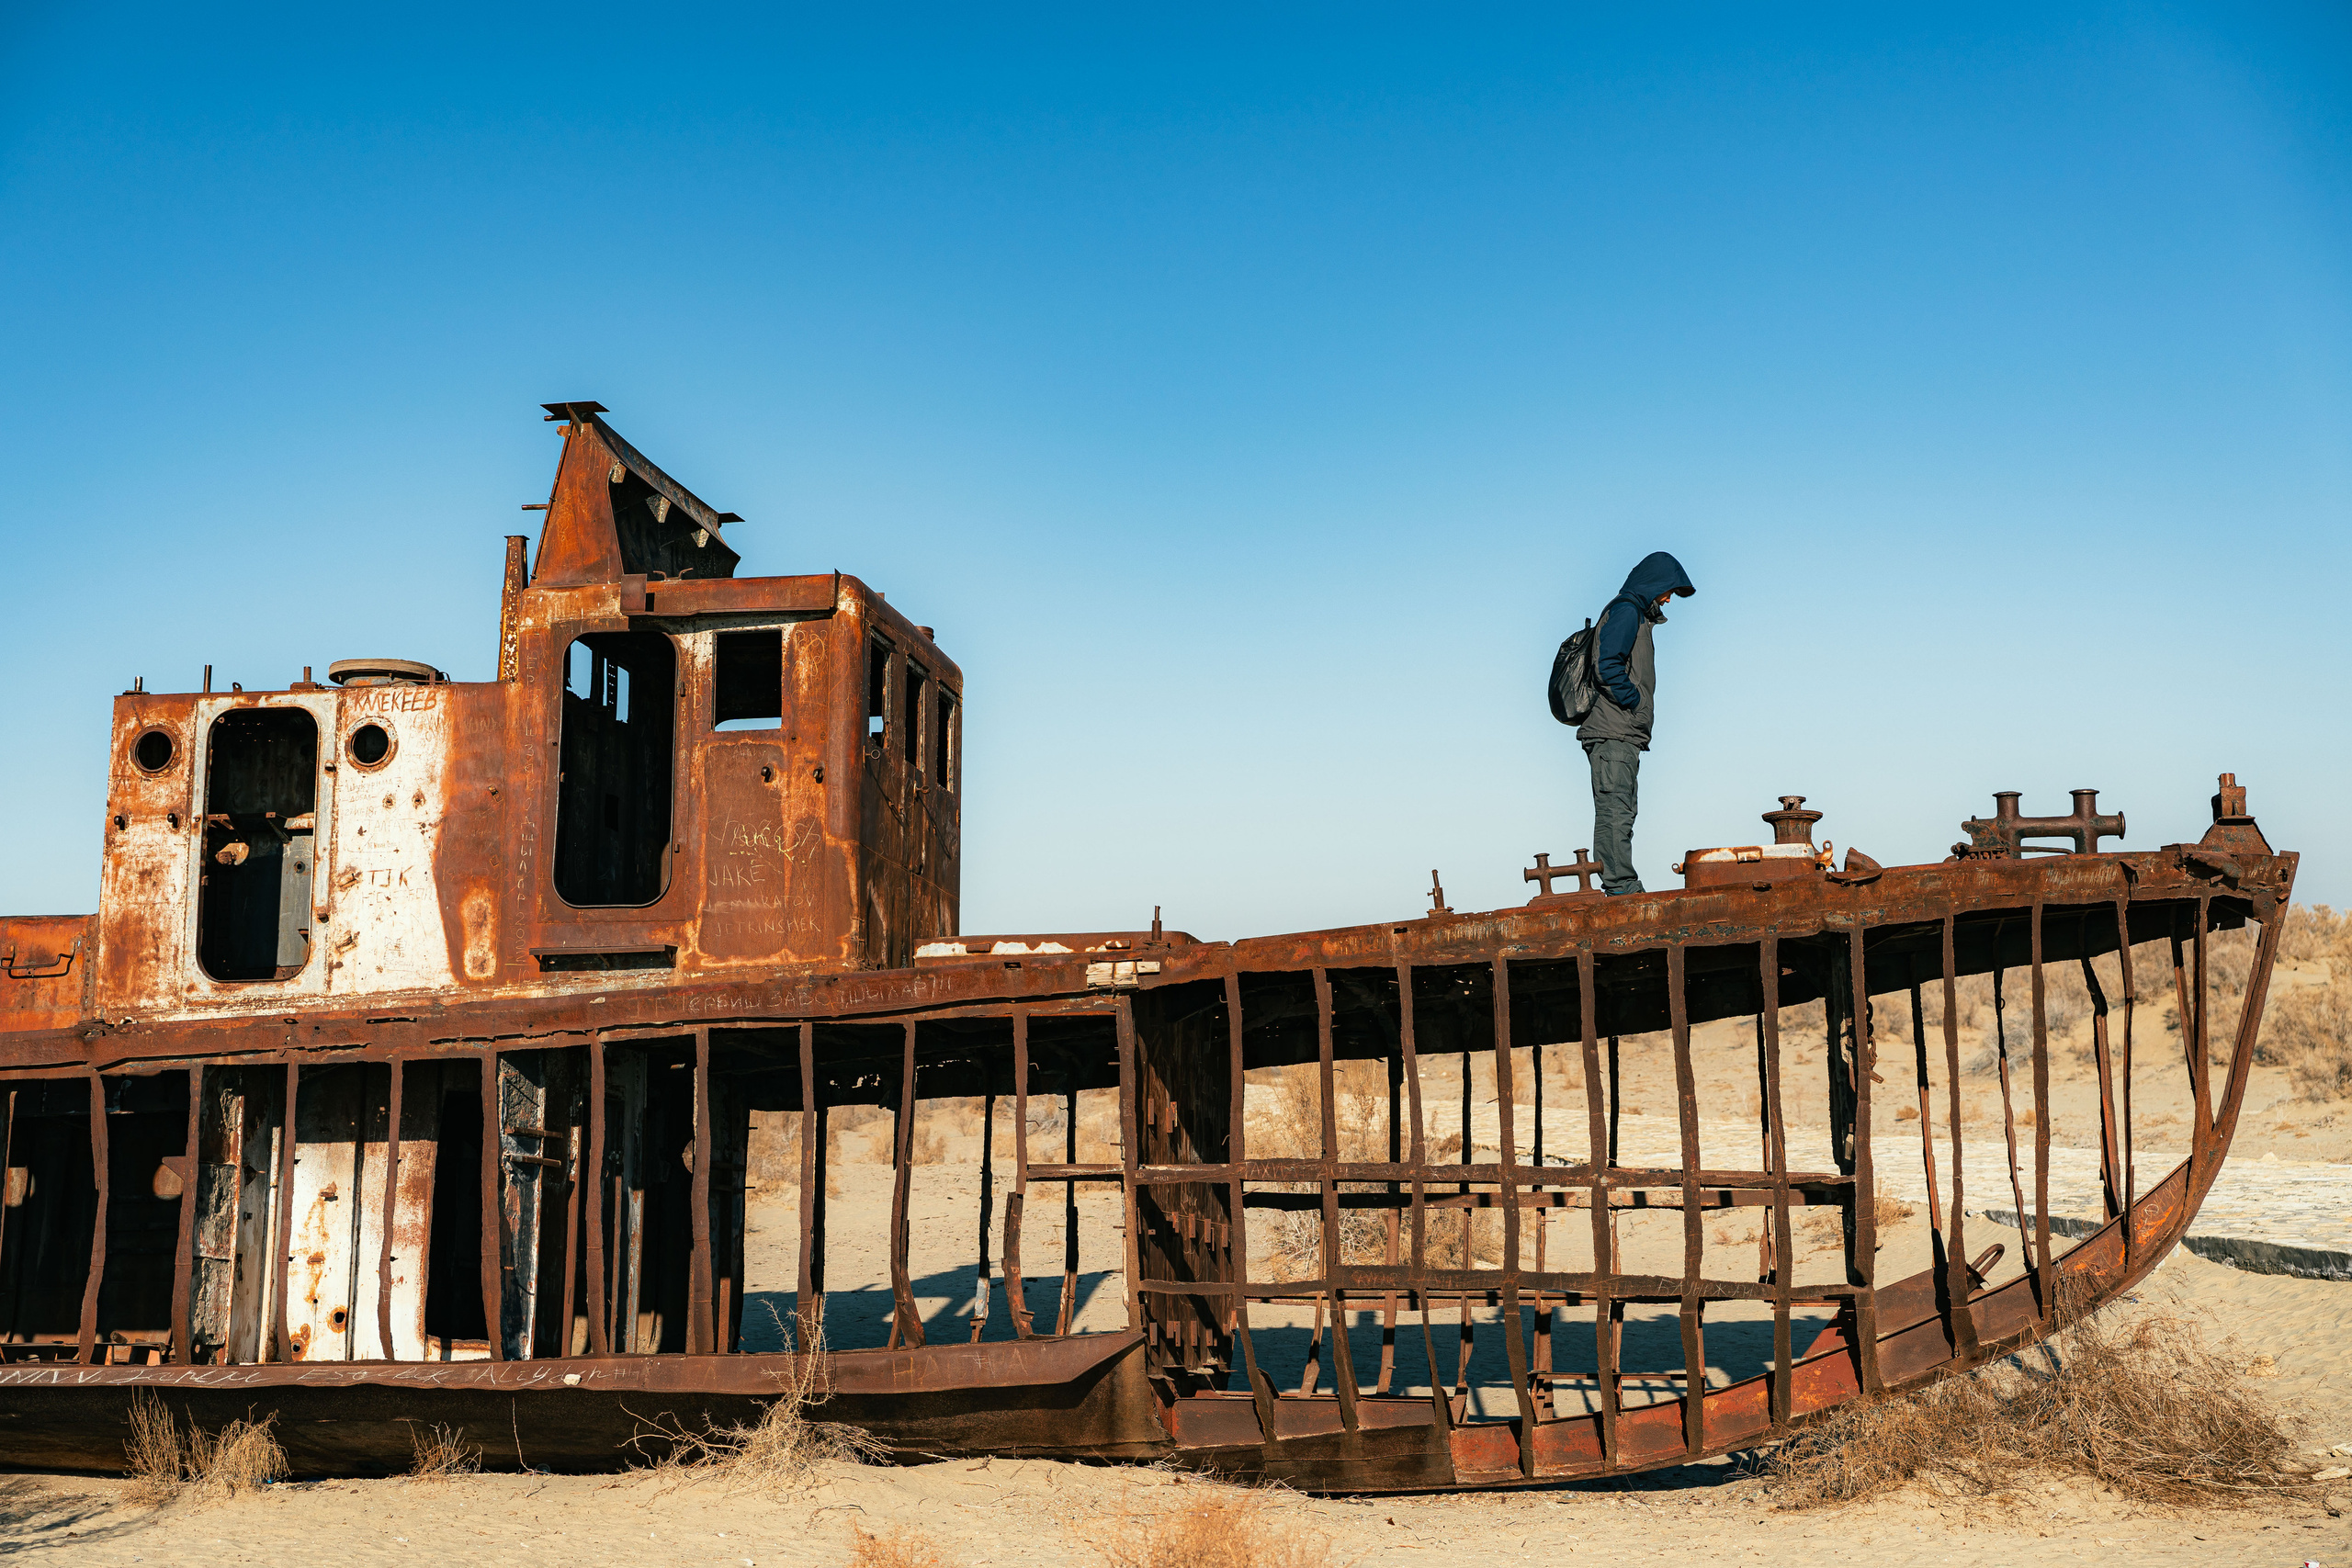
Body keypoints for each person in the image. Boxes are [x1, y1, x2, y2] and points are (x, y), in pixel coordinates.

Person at [1575, 551, 1696, 895]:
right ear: (1654, 583)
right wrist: (1634, 702)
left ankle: (1622, 884)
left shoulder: (1634, 614)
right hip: (1614, 729)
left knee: (1623, 810)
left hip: (1622, 731)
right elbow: (1606, 665)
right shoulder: (1626, 611)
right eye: (1667, 590)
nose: (1669, 598)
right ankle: (1621, 889)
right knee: (1616, 810)